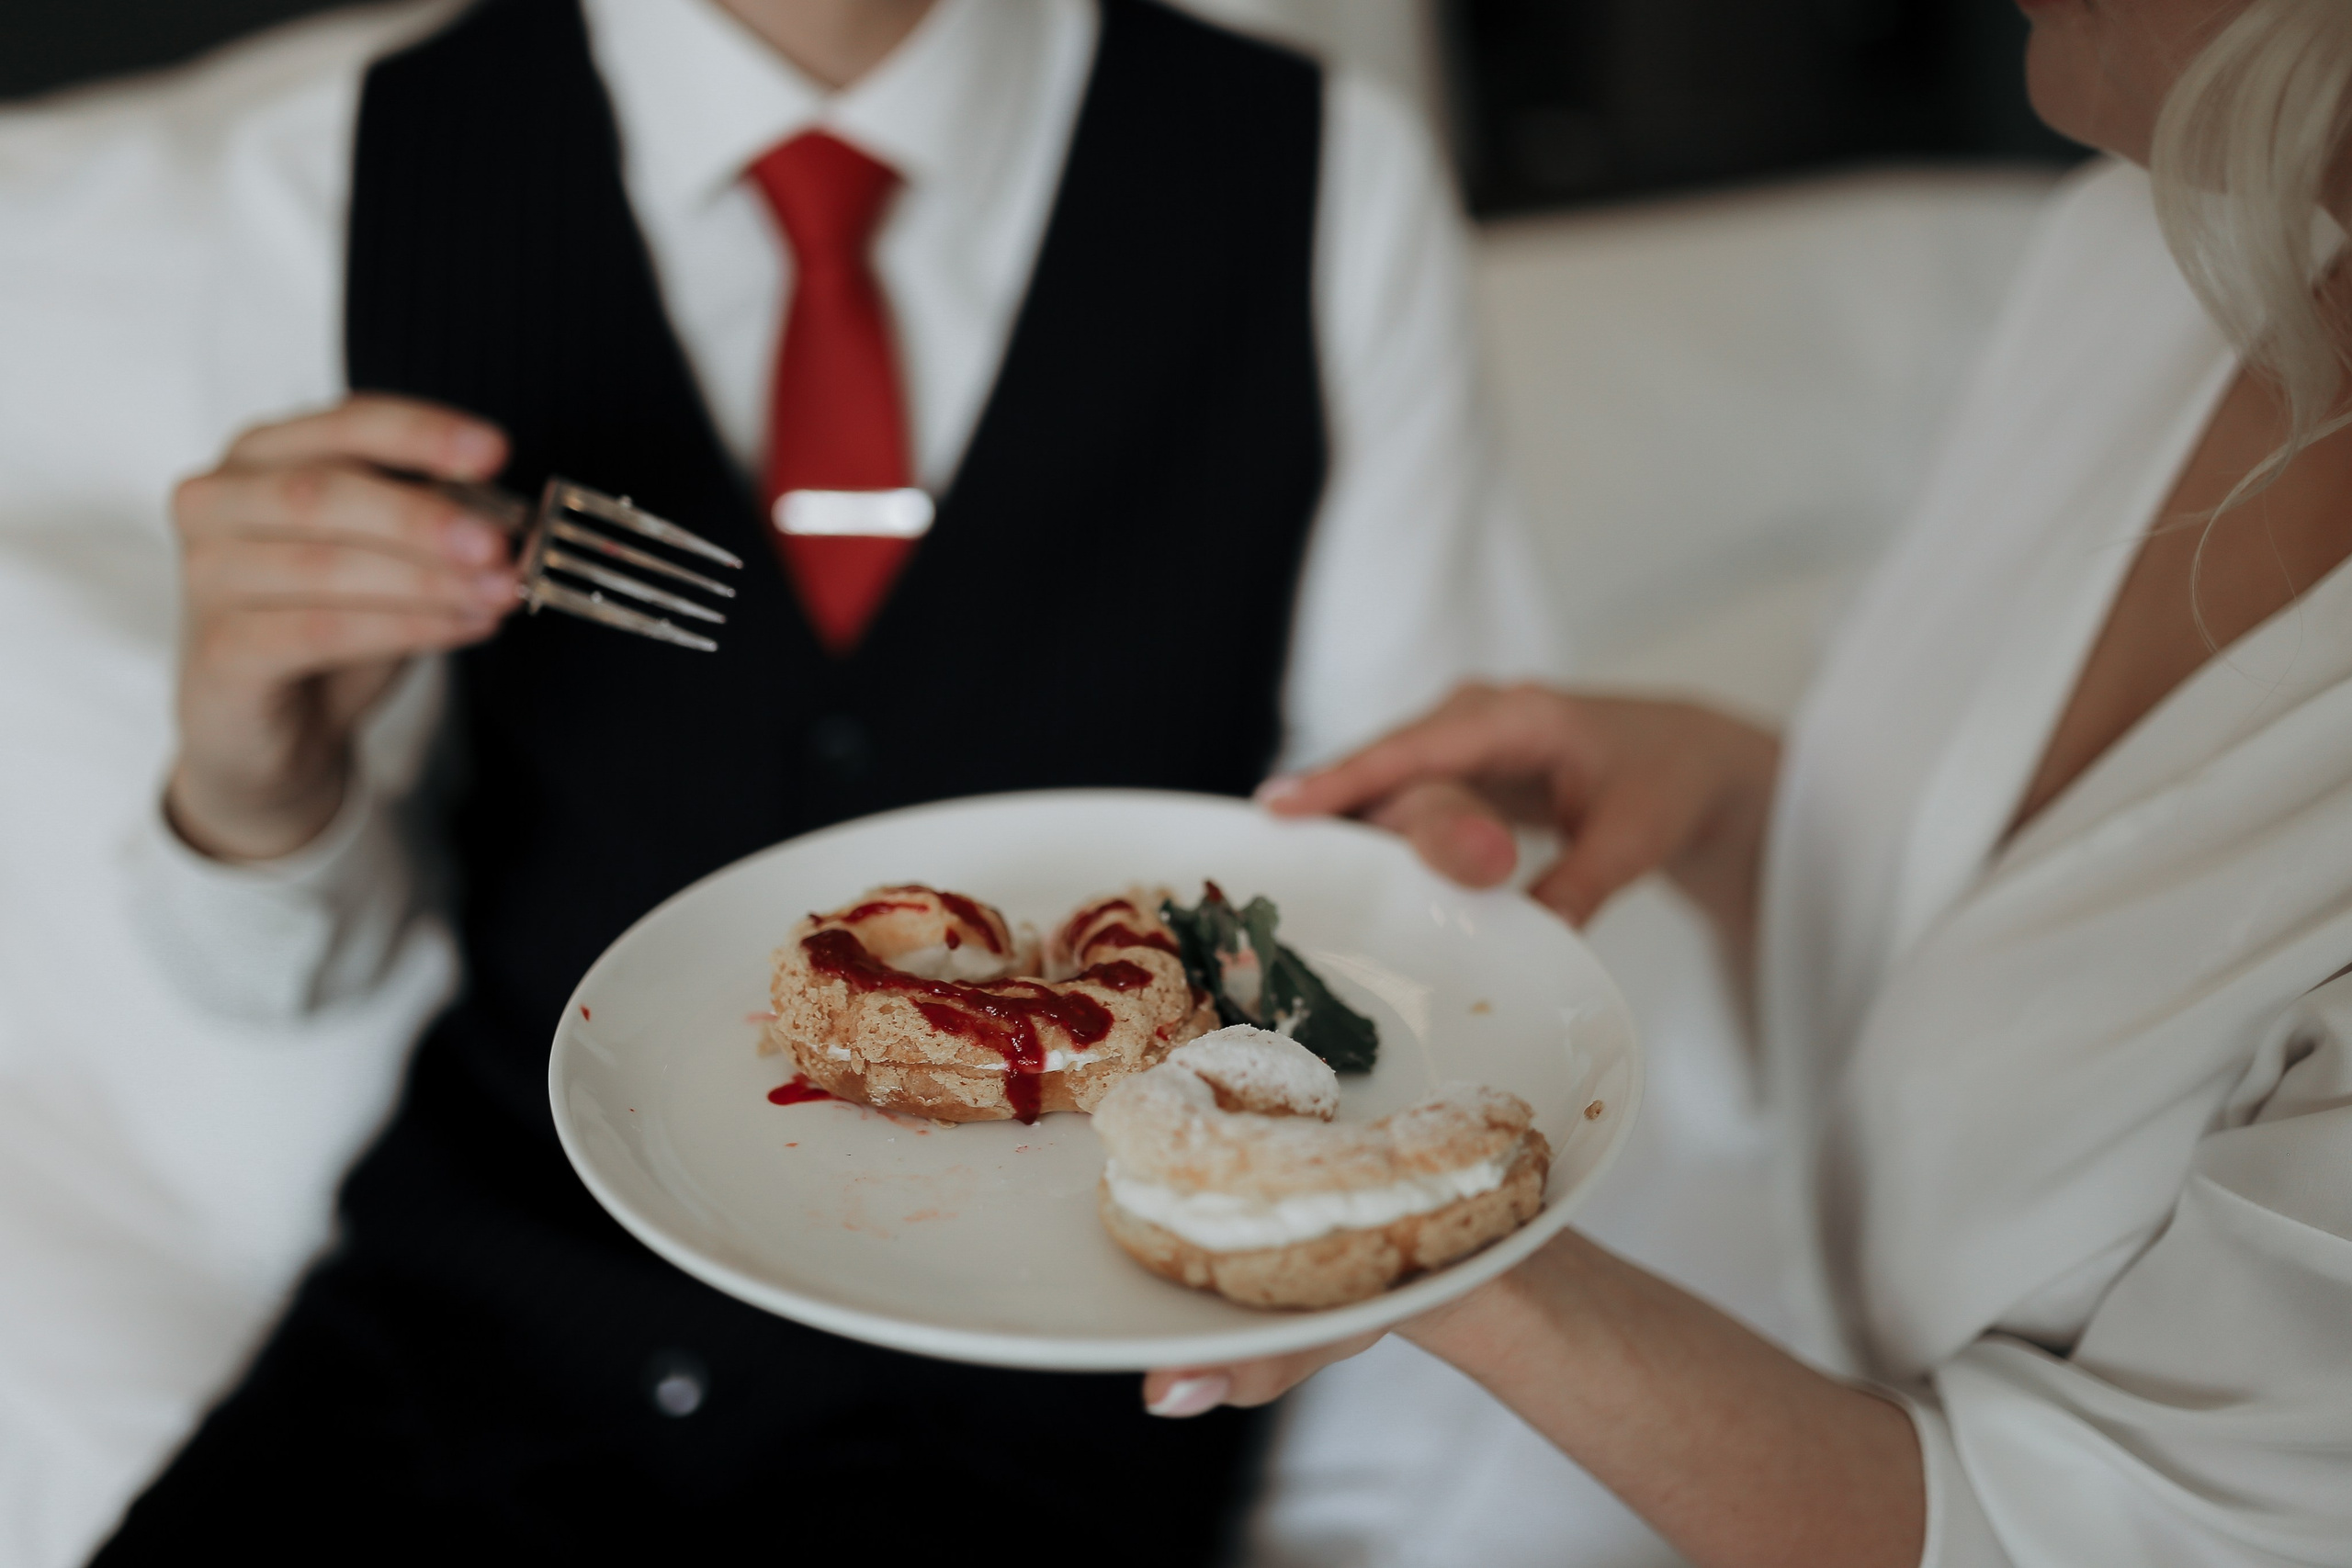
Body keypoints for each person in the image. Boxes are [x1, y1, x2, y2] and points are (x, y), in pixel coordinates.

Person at [0, 0, 1550, 1557]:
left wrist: (1426, 909)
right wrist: (257, 778)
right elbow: (274, 981)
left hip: (1027, 1390)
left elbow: (1393, 908)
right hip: (467, 1345)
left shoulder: (1323, 175)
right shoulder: (329, 179)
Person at [1142, 1, 2352, 1562]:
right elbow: (2041, 989)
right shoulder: (2144, 257)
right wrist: (1739, 809)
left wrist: (1443, 1237)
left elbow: (2128, 1532)